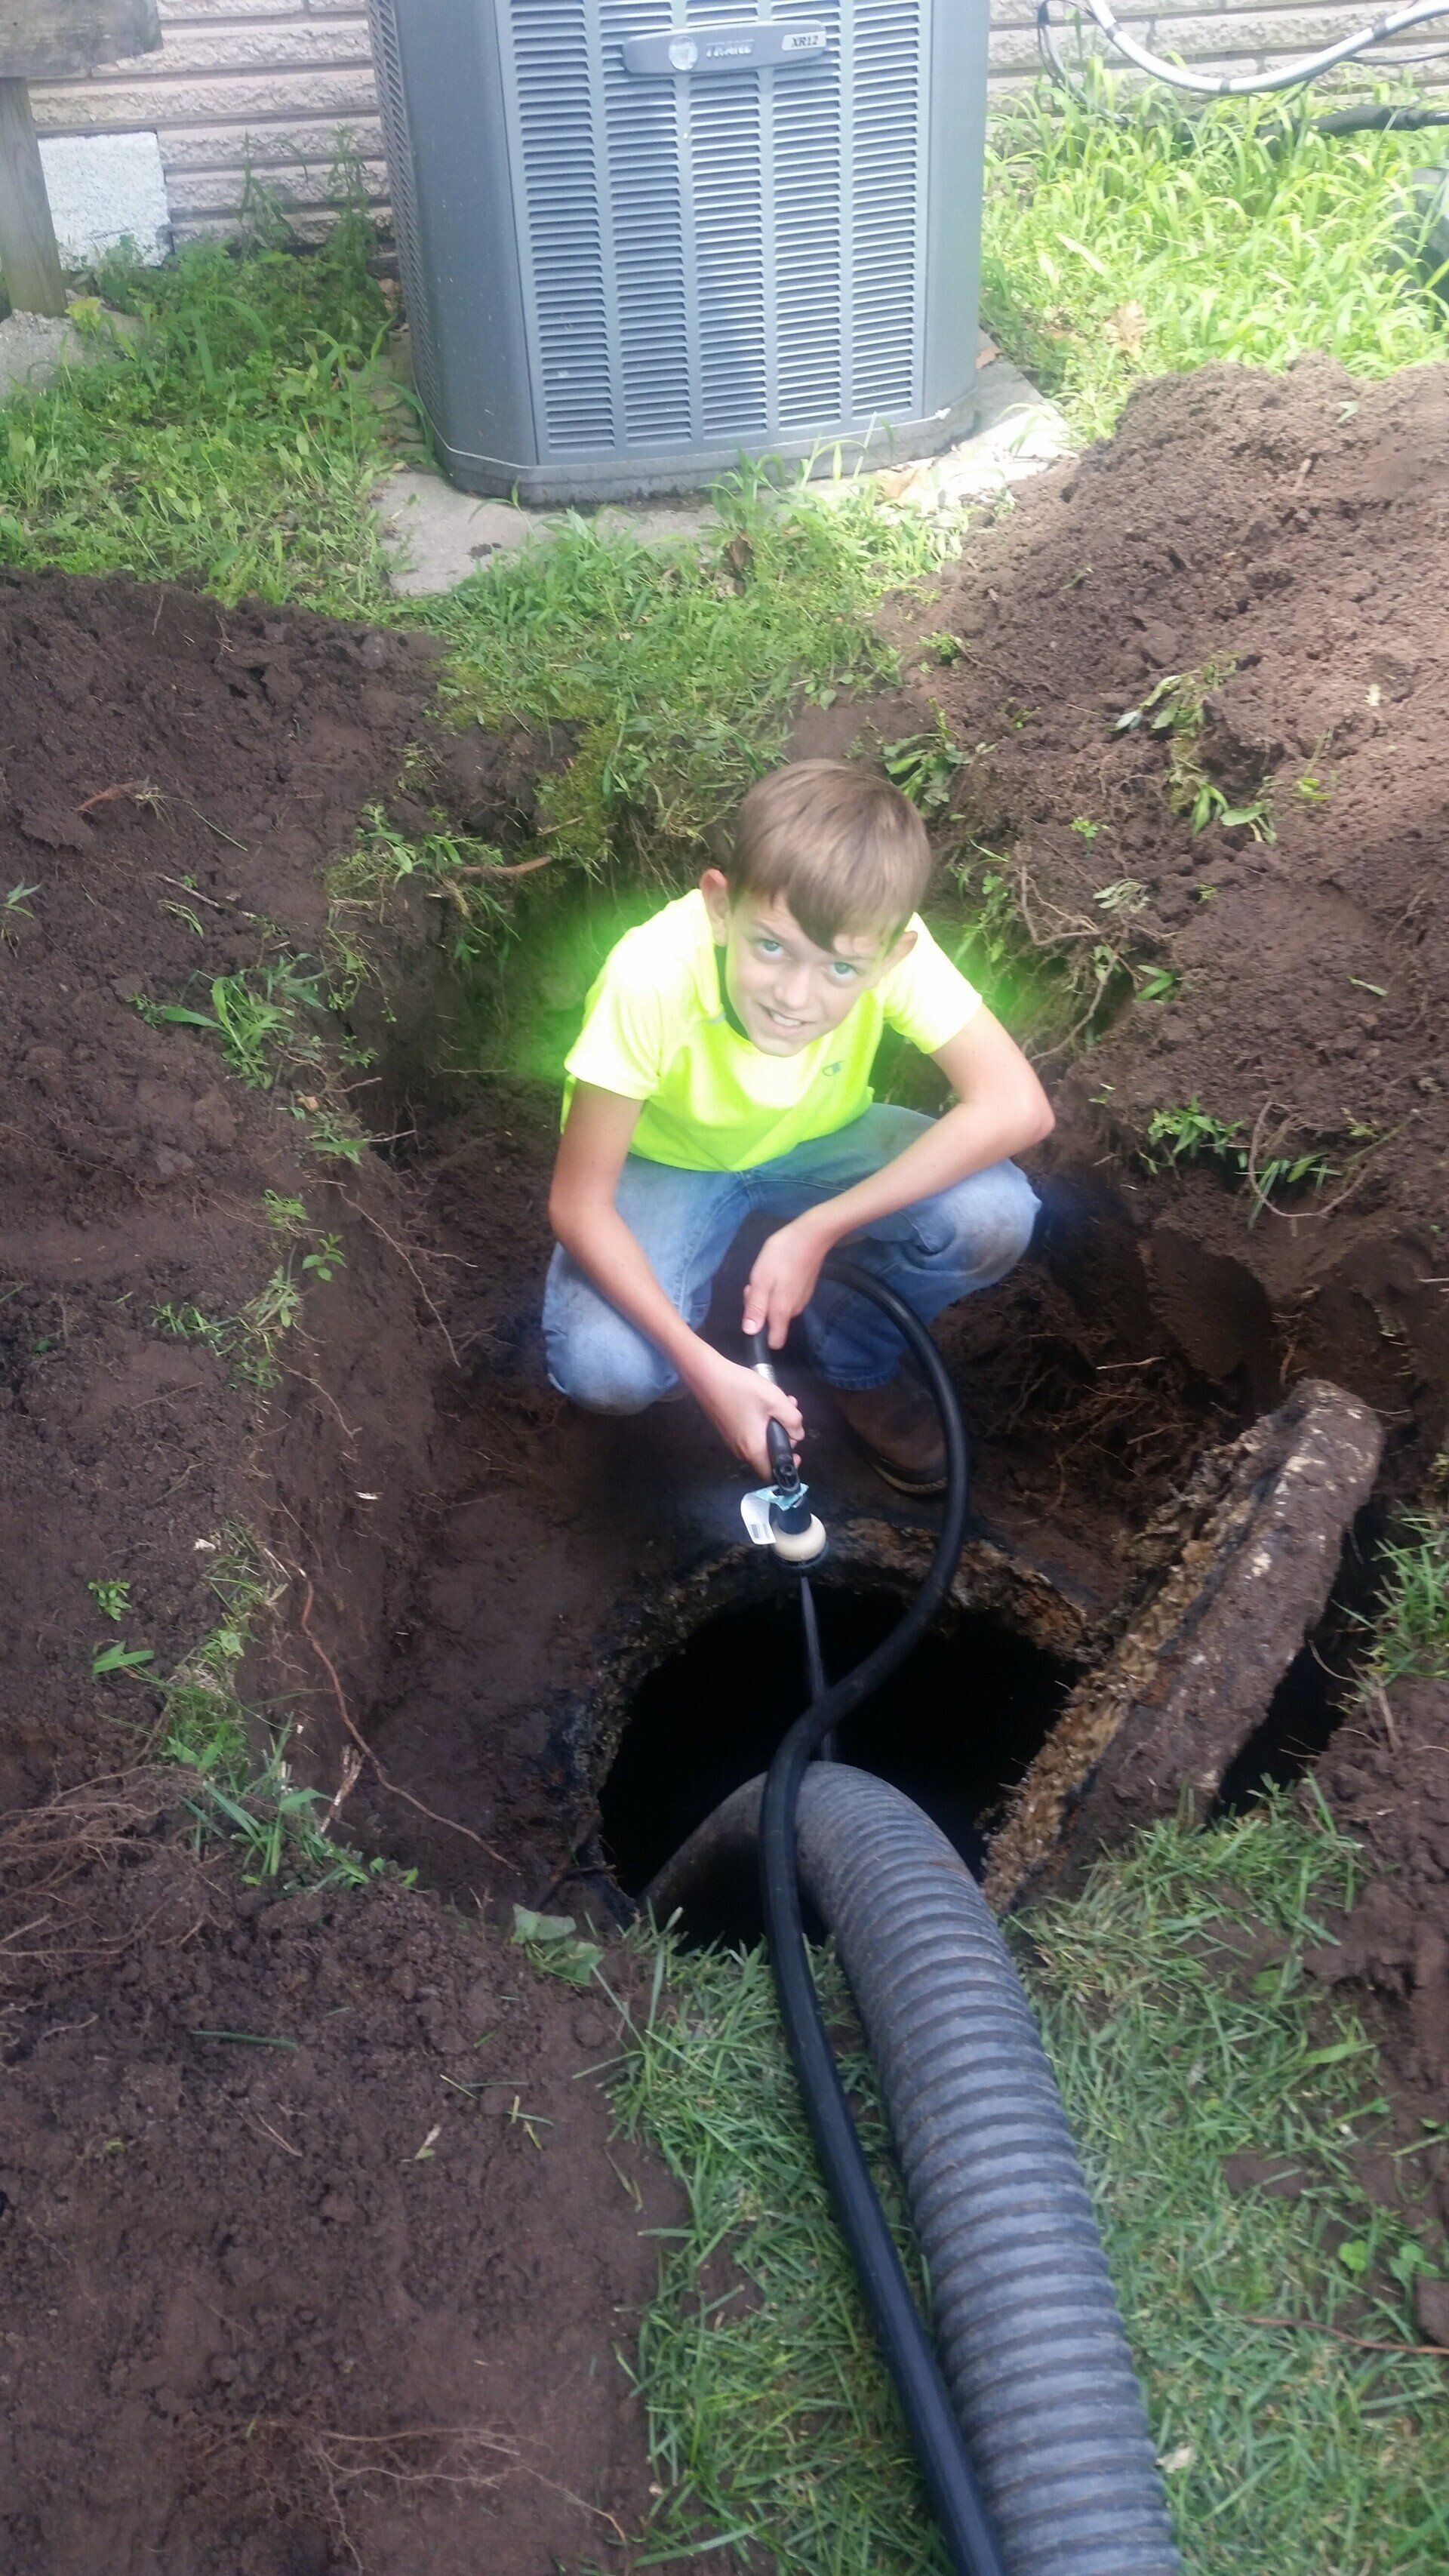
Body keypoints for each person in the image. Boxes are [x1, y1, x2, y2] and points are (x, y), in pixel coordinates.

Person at [543, 759, 1052, 1495]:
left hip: (818, 1141)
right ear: (721, 906)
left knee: (993, 1216)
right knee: (611, 1369)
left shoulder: (880, 938)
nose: (795, 997)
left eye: (841, 970)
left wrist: (818, 1227)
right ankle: (688, 1348)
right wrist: (707, 1370)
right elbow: (578, 1203)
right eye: (771, 946)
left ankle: (855, 1358)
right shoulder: (651, 975)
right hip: (669, 1163)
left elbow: (1018, 1105)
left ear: (888, 956)